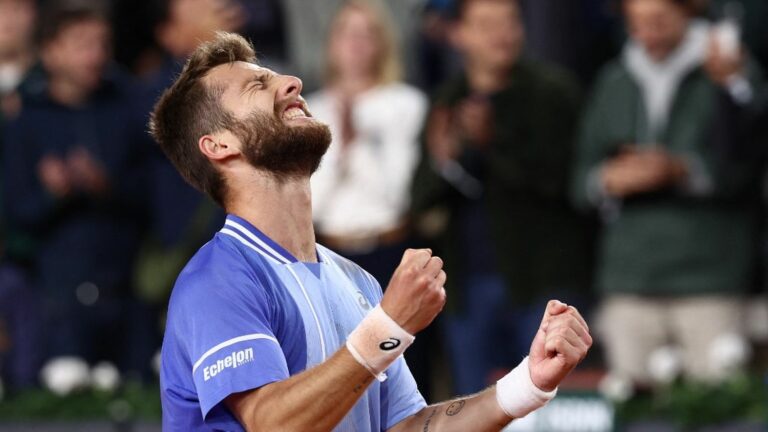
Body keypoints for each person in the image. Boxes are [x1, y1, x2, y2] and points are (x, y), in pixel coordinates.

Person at [151, 32, 592, 431]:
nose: (292, 83)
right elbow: (272, 424)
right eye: (257, 86)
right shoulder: (216, 280)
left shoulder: (356, 281)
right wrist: (386, 326)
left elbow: (408, 427)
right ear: (220, 144)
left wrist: (527, 383)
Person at [571, 0, 764, 389]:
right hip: (629, 279)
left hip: (709, 278)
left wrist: (680, 170)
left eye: (659, 20)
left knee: (718, 408)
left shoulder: (727, 70)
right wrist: (609, 178)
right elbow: (579, 181)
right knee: (634, 411)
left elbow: (748, 164)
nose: (648, 33)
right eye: (637, 23)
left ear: (688, 12)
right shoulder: (614, 79)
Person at [410, 0, 595, 395]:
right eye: (487, 24)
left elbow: (567, 186)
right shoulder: (447, 98)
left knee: (549, 405)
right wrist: (446, 158)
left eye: (511, 22)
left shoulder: (553, 92)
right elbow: (419, 198)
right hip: (467, 286)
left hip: (544, 284)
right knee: (474, 406)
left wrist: (491, 143)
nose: (503, 34)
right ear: (458, 34)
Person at [3, 0, 155, 379]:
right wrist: (52, 193)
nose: (96, 55)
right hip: (55, 296)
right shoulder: (25, 121)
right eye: (82, 43)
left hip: (126, 287)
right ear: (50, 52)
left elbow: (152, 195)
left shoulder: (127, 111)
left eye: (102, 43)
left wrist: (107, 187)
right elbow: (16, 215)